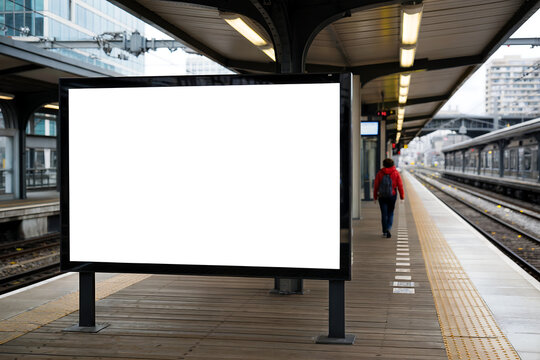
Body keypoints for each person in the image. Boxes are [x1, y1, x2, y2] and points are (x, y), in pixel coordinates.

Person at [373, 158, 404, 238]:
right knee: (390, 212)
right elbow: (400, 185)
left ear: (384, 164)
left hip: (382, 196)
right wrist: (402, 197)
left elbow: (376, 185)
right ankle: (389, 228)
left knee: (384, 214)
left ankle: (384, 230)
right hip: (392, 195)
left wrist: (375, 196)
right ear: (393, 165)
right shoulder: (396, 173)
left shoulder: (380, 173)